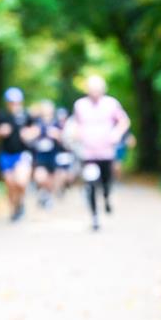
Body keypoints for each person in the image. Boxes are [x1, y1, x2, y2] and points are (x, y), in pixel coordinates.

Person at [68, 76, 131, 231]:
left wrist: (116, 133)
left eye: (97, 90)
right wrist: (75, 134)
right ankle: (95, 216)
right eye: (92, 89)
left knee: (106, 182)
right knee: (90, 184)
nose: (95, 93)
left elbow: (124, 121)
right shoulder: (80, 105)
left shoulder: (111, 103)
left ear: (103, 90)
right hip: (88, 153)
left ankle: (107, 197)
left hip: (106, 152)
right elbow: (75, 123)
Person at [0, 87, 34, 222]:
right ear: (7, 102)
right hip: (6, 155)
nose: (14, 104)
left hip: (22, 154)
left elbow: (35, 129)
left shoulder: (26, 115)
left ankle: (20, 203)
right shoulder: (1, 116)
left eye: (16, 102)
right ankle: (14, 209)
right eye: (11, 102)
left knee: (21, 182)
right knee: (10, 184)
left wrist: (29, 134)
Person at [25, 100, 62, 209]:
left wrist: (57, 135)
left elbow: (64, 138)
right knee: (39, 177)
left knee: (51, 179)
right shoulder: (37, 122)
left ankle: (47, 195)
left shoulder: (56, 123)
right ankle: (43, 192)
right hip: (40, 156)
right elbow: (27, 134)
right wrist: (33, 133)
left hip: (53, 155)